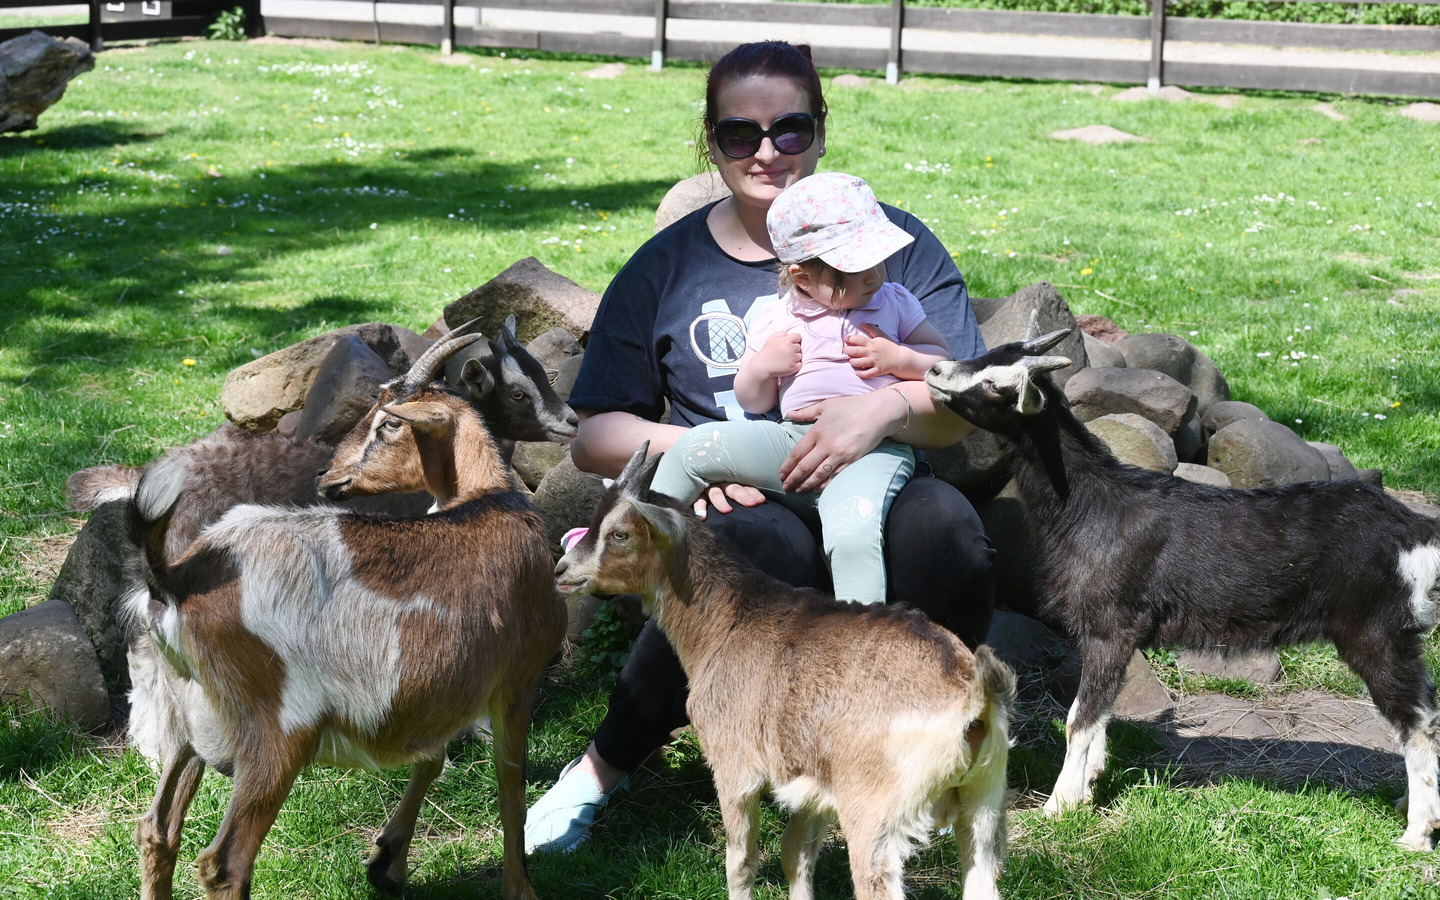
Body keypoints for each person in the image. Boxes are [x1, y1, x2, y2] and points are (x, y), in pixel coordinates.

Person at [525, 40, 996, 855]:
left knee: (946, 532)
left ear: (821, 131)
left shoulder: (894, 243)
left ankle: (925, 746)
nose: (767, 152)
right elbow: (595, 435)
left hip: (880, 475)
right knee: (742, 548)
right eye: (740, 134)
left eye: (790, 129)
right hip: (746, 491)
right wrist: (711, 450)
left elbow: (963, 404)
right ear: (710, 143)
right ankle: (601, 769)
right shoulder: (667, 267)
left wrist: (880, 409)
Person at [648, 171, 953, 605]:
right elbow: (755, 401)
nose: (874, 277)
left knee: (852, 531)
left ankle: (858, 636)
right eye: (855, 269)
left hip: (873, 447)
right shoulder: (775, 318)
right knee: (691, 450)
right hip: (792, 442)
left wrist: (900, 359)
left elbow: (943, 364)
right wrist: (762, 368)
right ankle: (645, 555)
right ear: (803, 277)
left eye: (878, 261)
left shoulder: (895, 301)